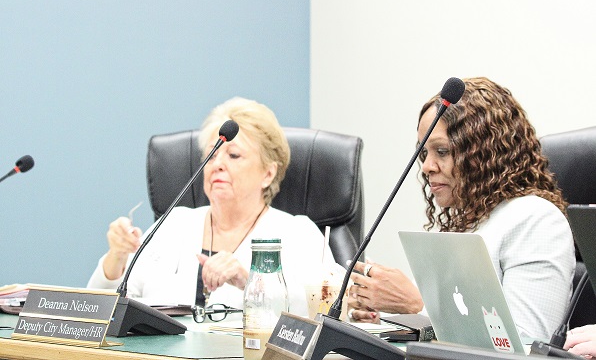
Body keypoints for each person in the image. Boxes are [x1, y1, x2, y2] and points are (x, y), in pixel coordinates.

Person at [348, 77, 575, 340]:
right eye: (424, 153)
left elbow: (526, 344)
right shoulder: (468, 221)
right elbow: (442, 327)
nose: (427, 166)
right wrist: (385, 311)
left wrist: (414, 305)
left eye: (442, 151)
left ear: (484, 150)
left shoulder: (537, 221)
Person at [88, 97, 338, 317]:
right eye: (213, 154)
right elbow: (101, 312)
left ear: (268, 173)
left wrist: (249, 282)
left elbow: (328, 311)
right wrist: (117, 258)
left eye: (233, 155)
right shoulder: (173, 224)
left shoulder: (297, 234)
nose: (217, 164)